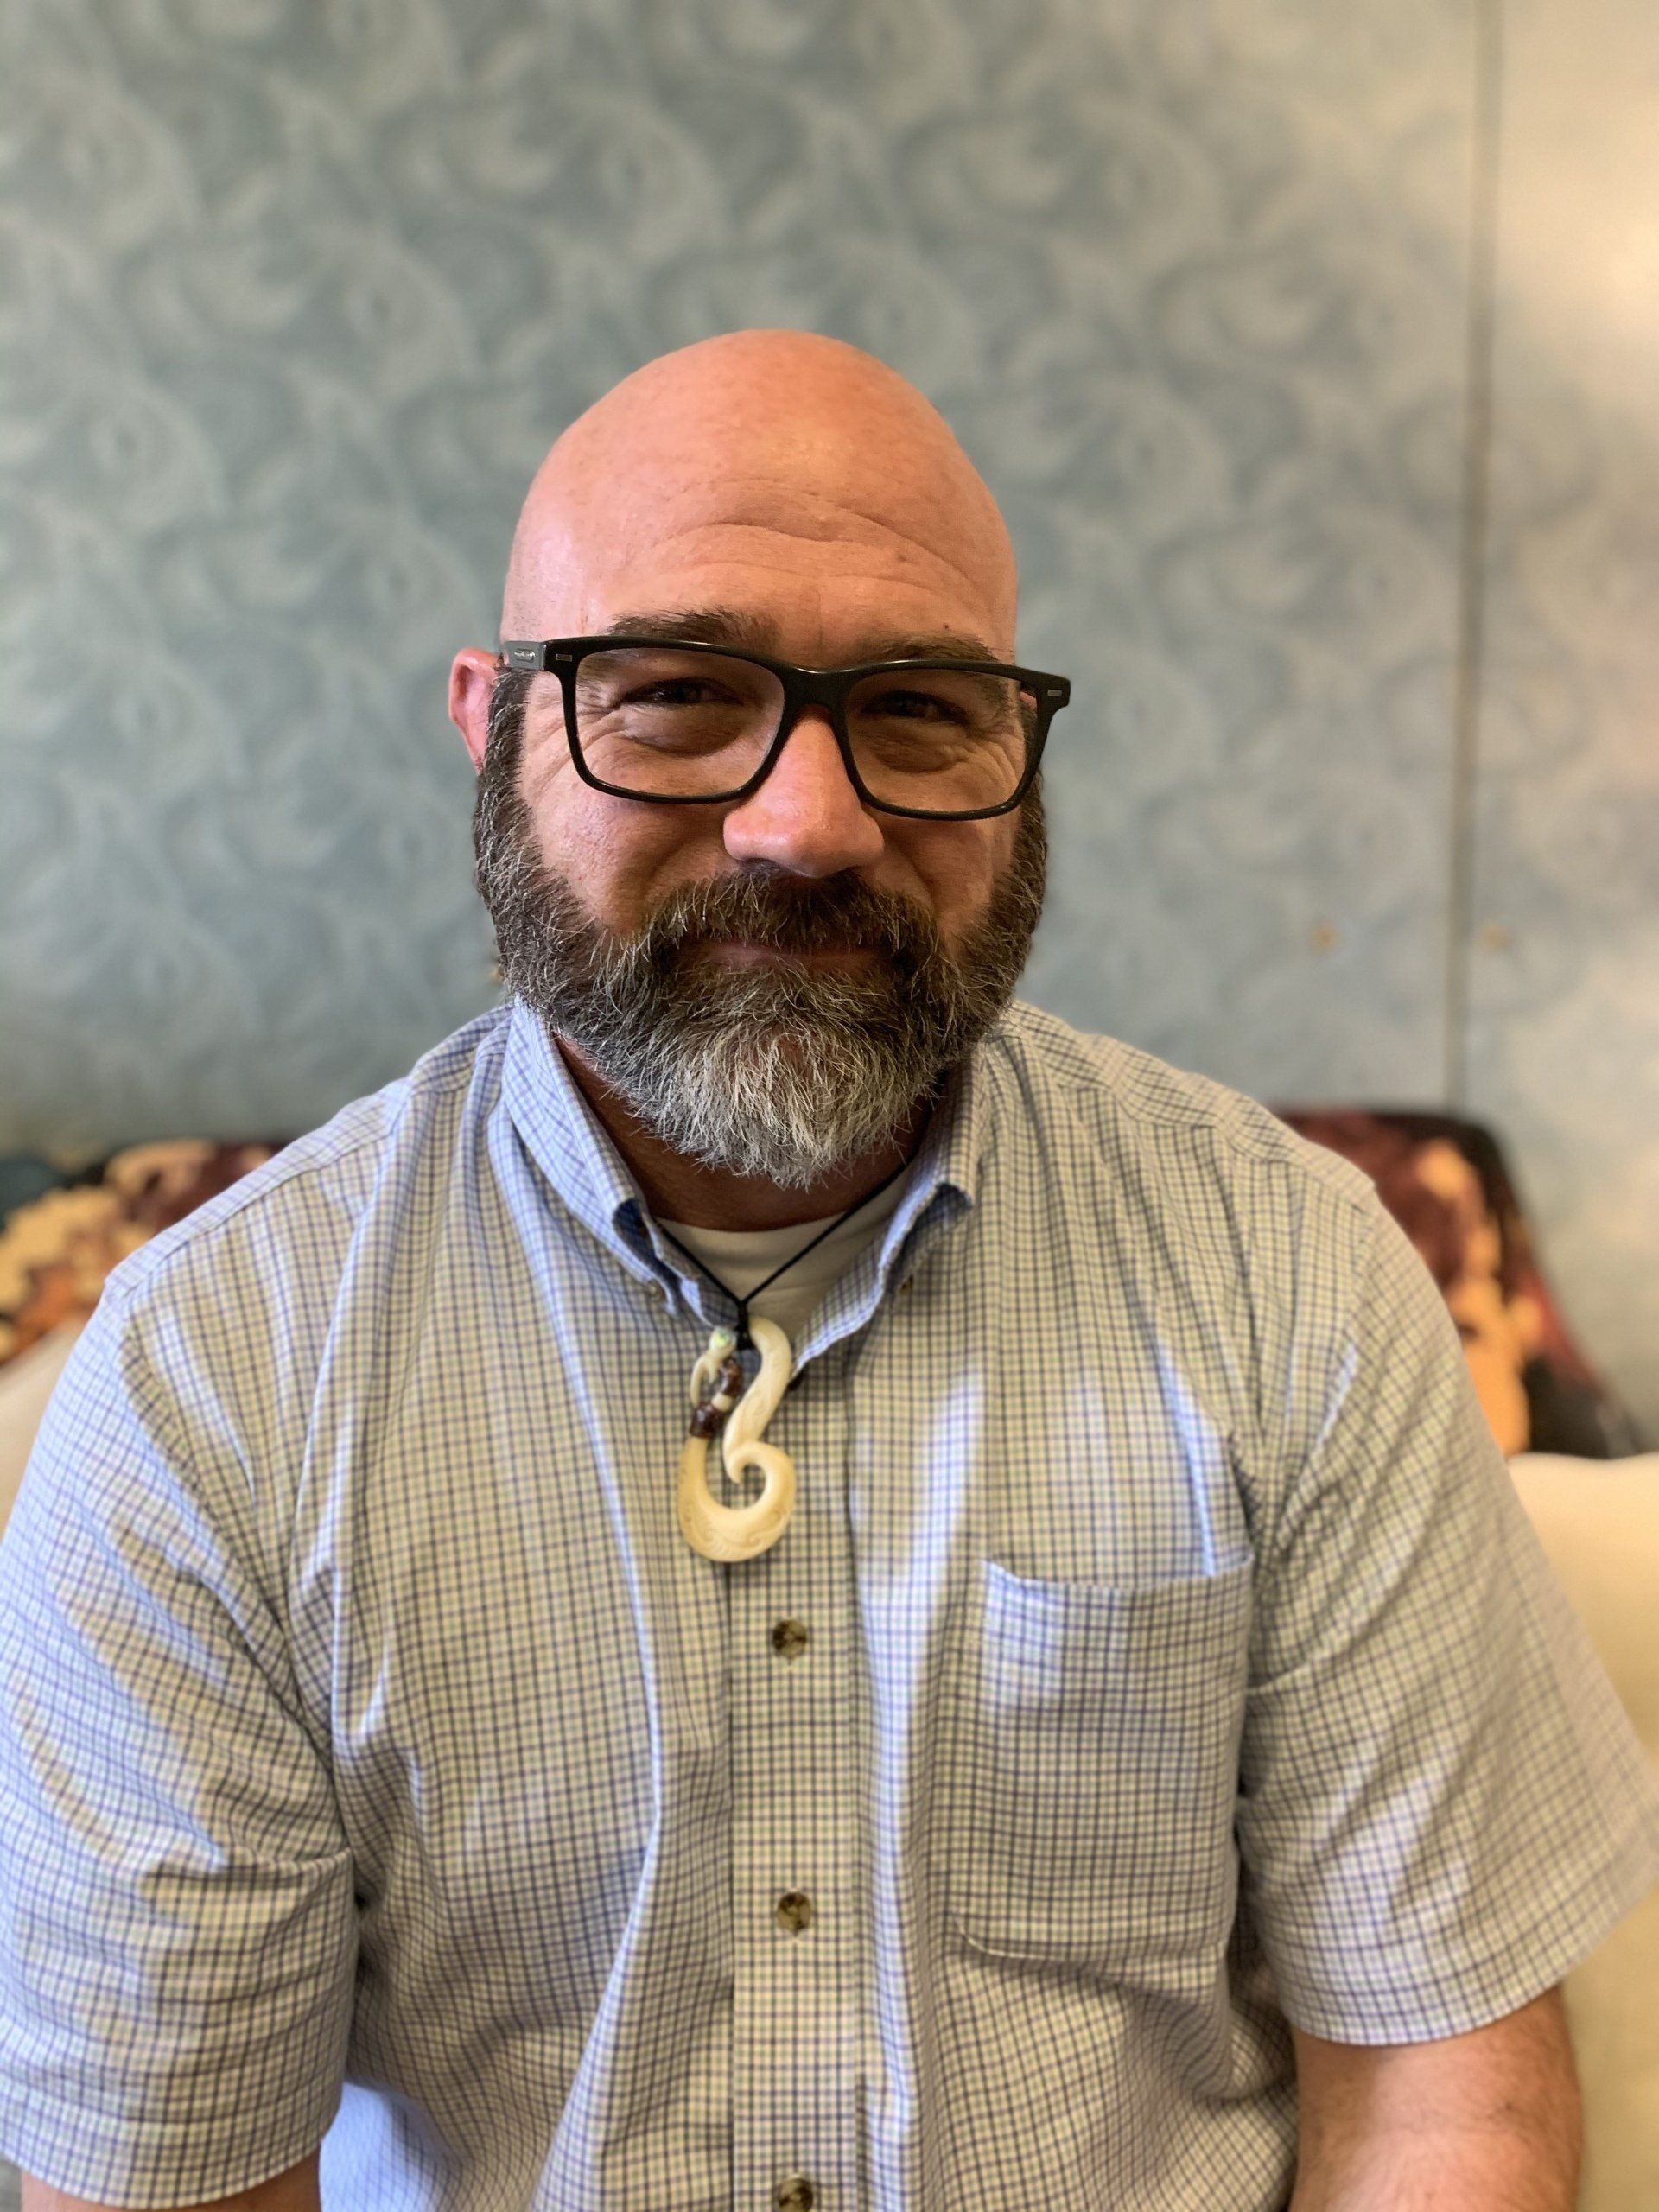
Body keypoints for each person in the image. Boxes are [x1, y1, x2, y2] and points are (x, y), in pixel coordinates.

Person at [1, 330, 1656, 2212]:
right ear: (495, 723)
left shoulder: (1295, 1276)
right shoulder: (210, 1379)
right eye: (683, 693)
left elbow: (1448, 2094)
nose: (812, 821)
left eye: (920, 711)